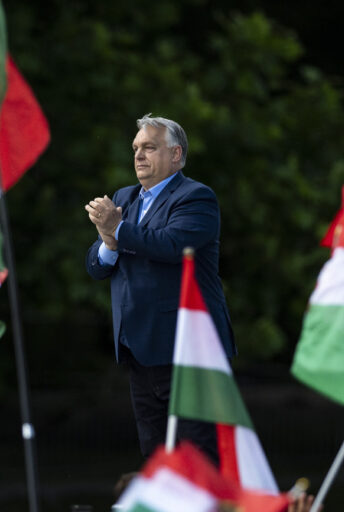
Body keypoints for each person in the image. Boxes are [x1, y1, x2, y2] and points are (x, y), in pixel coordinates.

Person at [85, 114, 235, 465]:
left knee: (198, 461)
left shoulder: (196, 197)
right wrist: (109, 240)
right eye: (136, 148)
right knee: (157, 462)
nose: (138, 155)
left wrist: (117, 230)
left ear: (176, 155)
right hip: (139, 349)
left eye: (150, 147)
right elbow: (96, 265)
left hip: (189, 351)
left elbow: (171, 245)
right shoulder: (126, 197)